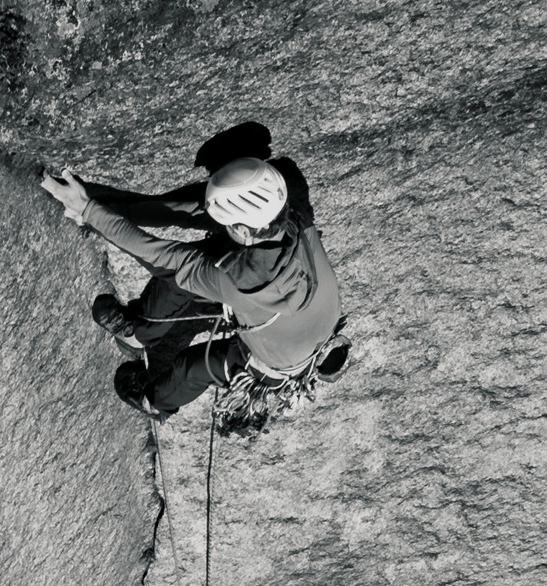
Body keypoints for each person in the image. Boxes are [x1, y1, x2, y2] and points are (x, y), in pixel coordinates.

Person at [40, 141, 348, 417]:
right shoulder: (294, 216)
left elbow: (160, 255)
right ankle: (138, 333)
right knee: (198, 265)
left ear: (243, 231)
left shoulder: (237, 283)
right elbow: (193, 210)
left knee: (193, 367)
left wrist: (89, 209)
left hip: (280, 361)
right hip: (318, 322)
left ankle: (155, 402)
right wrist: (113, 211)